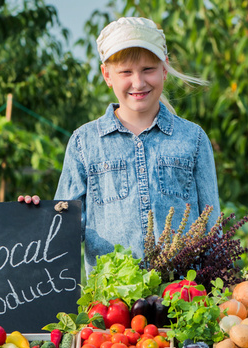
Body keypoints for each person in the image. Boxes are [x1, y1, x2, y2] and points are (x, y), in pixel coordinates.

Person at [20, 17, 220, 277]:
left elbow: (212, 228)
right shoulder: (85, 143)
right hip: (112, 306)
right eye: (126, 72)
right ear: (107, 75)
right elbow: (64, 233)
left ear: (164, 69)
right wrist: (34, 216)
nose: (138, 83)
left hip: (183, 300)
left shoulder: (192, 139)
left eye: (148, 69)